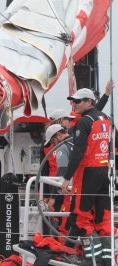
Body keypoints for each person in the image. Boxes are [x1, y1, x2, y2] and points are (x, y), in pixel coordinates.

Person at [61, 88, 114, 265]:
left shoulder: (84, 122)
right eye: (73, 101)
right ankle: (107, 261)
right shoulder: (106, 119)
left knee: (81, 216)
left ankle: (83, 257)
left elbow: (78, 152)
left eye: (78, 101)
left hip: (87, 173)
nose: (74, 104)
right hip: (104, 173)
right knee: (103, 217)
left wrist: (66, 178)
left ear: (89, 102)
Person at [44, 124, 73, 236]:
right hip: (87, 187)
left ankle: (66, 249)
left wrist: (53, 198)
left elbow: (62, 173)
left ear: (58, 135)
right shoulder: (77, 141)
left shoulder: (63, 147)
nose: (53, 145)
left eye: (52, 142)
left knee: (66, 224)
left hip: (70, 191)